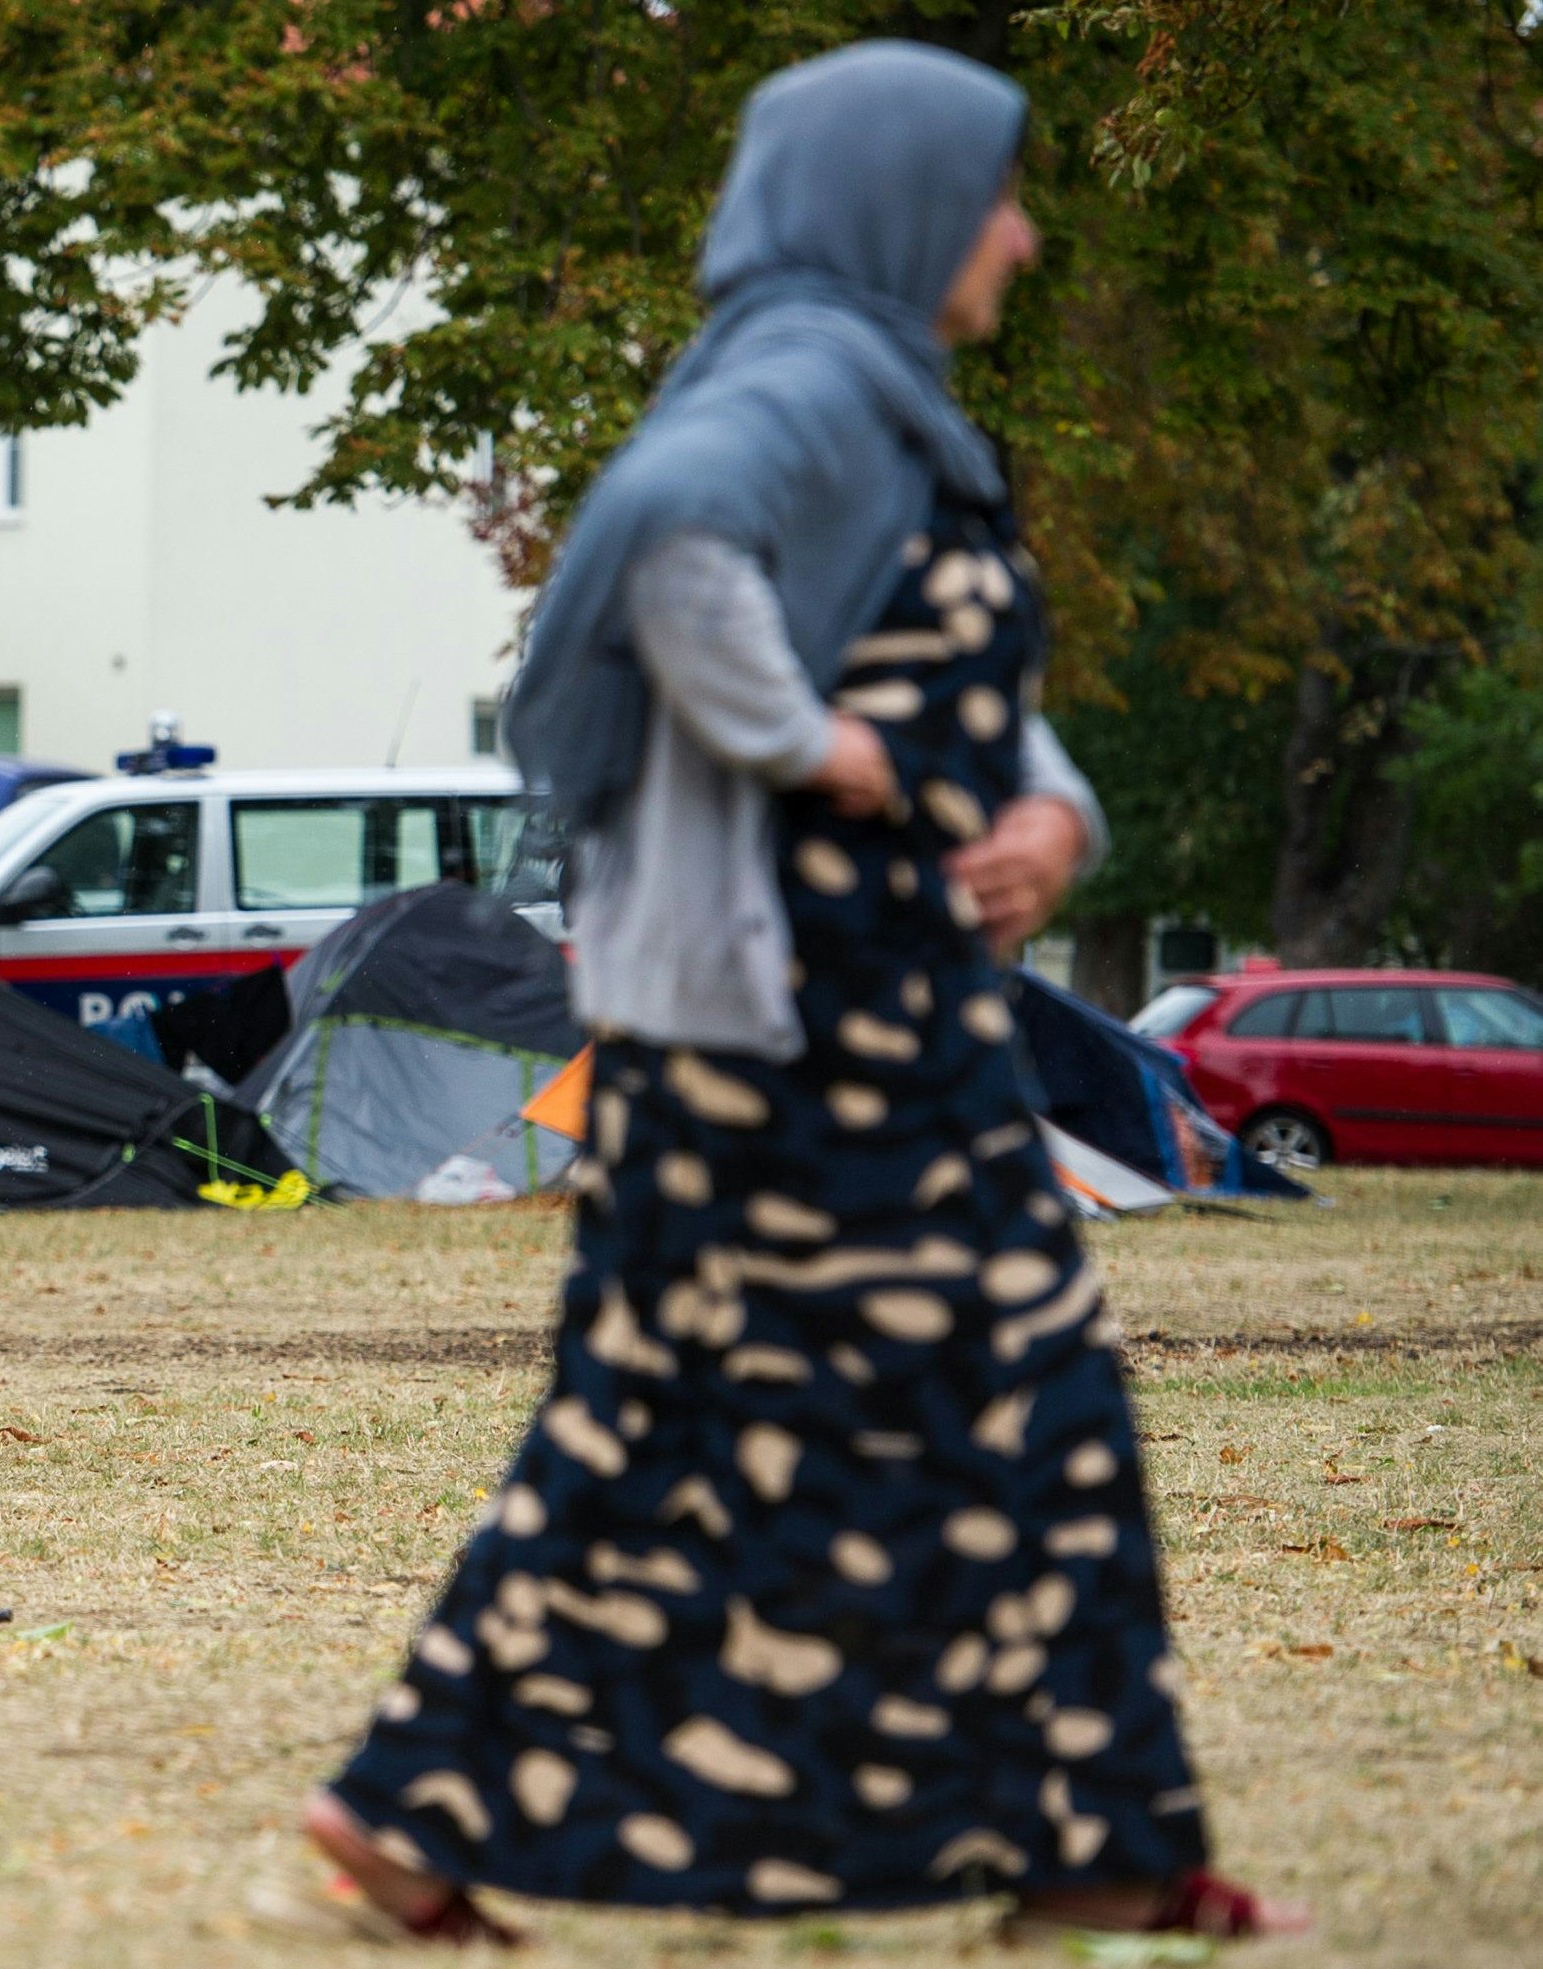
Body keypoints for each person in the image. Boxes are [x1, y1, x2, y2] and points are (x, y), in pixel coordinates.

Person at [301, 42, 1303, 1947]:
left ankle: (421, 1812)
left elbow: (965, 677)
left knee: (700, 1407)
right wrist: (802, 738)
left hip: (848, 1014)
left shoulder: (880, 406)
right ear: (896, 205)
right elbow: (667, 538)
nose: (1017, 231)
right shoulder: (808, 378)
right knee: (995, 1389)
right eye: (994, 191)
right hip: (808, 1027)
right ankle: (1084, 1841)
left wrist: (1049, 813)